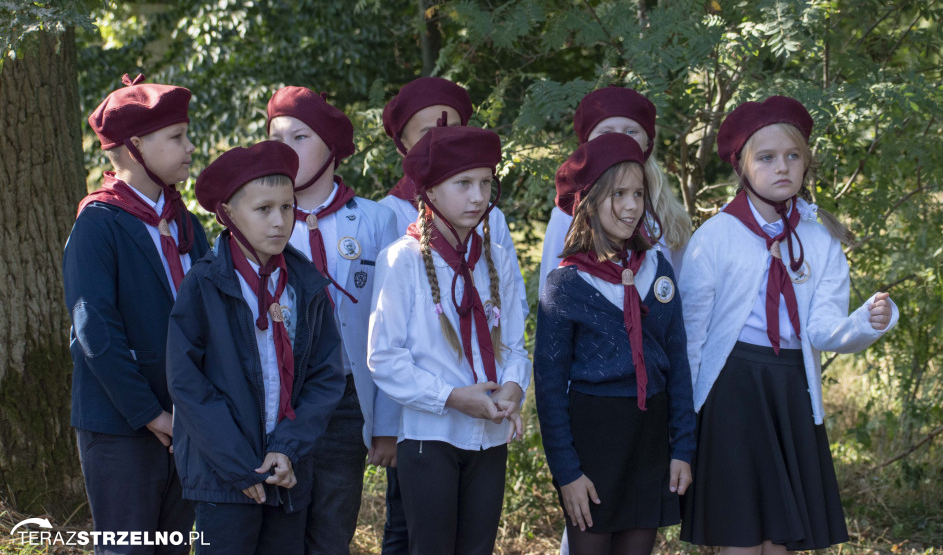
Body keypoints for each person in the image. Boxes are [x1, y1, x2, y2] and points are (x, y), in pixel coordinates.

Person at [679, 95, 900, 554]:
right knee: (738, 532)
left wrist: (865, 322)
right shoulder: (715, 236)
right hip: (730, 390)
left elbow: (821, 327)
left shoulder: (819, 235)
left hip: (789, 389)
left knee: (781, 536)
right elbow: (691, 337)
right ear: (742, 166)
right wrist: (684, 423)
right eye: (767, 157)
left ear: (805, 162)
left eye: (793, 156)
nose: (782, 167)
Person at [166, 141, 345, 555]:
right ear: (228, 214)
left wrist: (288, 448)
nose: (280, 221)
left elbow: (324, 376)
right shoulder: (204, 285)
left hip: (287, 473)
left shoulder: (307, 285)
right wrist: (237, 467)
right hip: (222, 479)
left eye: (287, 207)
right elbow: (187, 382)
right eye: (263, 209)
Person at [376, 76, 528, 552]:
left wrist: (514, 387)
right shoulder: (402, 259)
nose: (478, 196)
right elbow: (385, 358)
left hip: (490, 437)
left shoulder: (497, 256)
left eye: (485, 183)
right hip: (429, 437)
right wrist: (450, 397)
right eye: (463, 184)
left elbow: (516, 346)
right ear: (429, 192)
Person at [64, 73, 208, 554]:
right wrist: (151, 415)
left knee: (171, 547)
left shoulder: (185, 224)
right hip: (121, 424)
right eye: (177, 137)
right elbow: (94, 330)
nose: (190, 146)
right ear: (134, 146)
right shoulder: (99, 223)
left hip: (184, 420)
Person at [534, 132, 696, 555]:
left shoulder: (657, 269)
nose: (630, 206)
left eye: (638, 194)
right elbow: (549, 391)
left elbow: (677, 362)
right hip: (593, 441)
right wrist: (567, 472)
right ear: (589, 201)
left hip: (650, 438)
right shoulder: (565, 285)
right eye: (618, 194)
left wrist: (682, 448)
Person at [266, 86, 401, 555]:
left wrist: (385, 422)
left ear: (331, 148)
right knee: (281, 524)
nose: (285, 147)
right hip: (280, 396)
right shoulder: (261, 218)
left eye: (299, 136)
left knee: (332, 524)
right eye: (275, 135)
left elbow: (389, 326)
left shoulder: (374, 220)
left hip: (347, 399)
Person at [536, 86, 691, 292]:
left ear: (648, 143)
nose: (621, 140)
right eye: (606, 132)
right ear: (586, 143)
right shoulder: (568, 216)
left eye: (631, 131)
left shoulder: (665, 212)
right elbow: (551, 292)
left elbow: (678, 289)